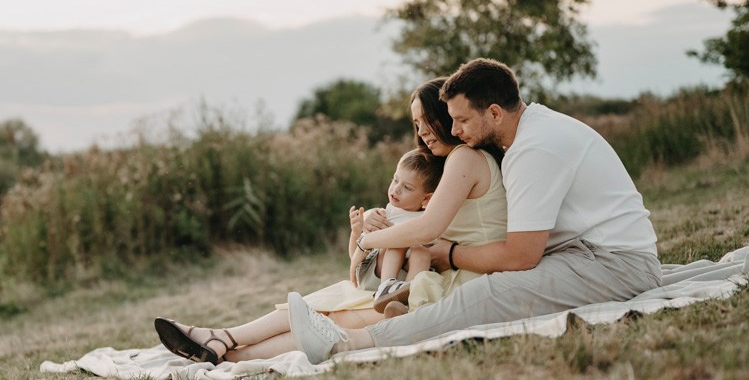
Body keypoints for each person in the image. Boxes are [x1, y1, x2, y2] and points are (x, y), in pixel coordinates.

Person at [288, 57, 662, 362]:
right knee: (485, 289)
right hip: (584, 253)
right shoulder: (530, 132)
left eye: (463, 120)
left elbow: (520, 256)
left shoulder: (535, 149)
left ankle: (348, 343)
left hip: (613, 263)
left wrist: (450, 253)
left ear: (495, 113)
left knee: (485, 296)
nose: (454, 129)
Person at [153, 76, 508, 364]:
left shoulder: (465, 158)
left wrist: (369, 241)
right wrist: (367, 236)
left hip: (455, 283)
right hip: (436, 275)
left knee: (331, 317)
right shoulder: (448, 164)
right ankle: (222, 341)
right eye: (416, 124)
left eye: (427, 120)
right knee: (326, 305)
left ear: (446, 115)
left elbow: (427, 229)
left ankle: (229, 350)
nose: (423, 131)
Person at [369, 148, 443, 314]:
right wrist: (364, 220)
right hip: (382, 270)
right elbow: (363, 243)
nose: (396, 189)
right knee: (400, 239)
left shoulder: (430, 217)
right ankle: (386, 288)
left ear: (426, 198)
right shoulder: (388, 213)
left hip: (408, 272)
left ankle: (408, 301)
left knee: (421, 253)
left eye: (407, 187)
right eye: (395, 180)